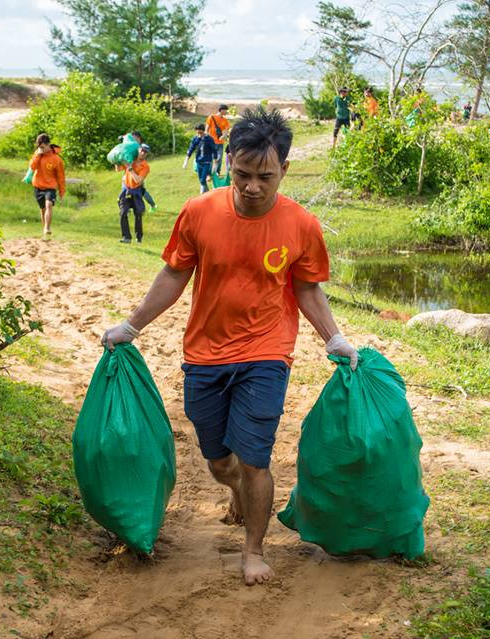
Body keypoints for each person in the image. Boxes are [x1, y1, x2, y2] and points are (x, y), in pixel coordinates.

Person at [101, 107, 358, 586]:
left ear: (283, 168)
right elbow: (175, 273)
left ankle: (254, 550)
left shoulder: (301, 224)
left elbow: (306, 288)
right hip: (205, 354)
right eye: (242, 174)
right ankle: (235, 489)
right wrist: (131, 327)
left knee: (255, 458)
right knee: (220, 460)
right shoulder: (199, 212)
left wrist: (334, 337)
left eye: (265, 176)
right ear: (228, 163)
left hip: (267, 352)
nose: (253, 187)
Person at [29, 134, 66, 236]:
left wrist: (62, 191)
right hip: (38, 185)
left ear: (48, 145)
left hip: (50, 187)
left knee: (49, 205)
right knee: (42, 209)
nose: (40, 149)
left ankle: (47, 228)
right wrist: (38, 155)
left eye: (42, 147)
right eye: (39, 147)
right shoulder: (37, 154)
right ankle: (44, 228)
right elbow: (32, 167)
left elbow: (61, 177)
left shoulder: (57, 159)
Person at [118, 144, 150, 244]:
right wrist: (118, 159)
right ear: (138, 150)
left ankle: (139, 237)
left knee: (138, 214)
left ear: (147, 154)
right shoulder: (130, 159)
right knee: (123, 213)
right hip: (126, 190)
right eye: (142, 150)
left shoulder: (145, 166)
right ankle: (126, 237)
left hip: (136, 192)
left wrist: (130, 169)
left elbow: (138, 181)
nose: (143, 153)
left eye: (145, 151)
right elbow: (118, 168)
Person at [183, 123, 218, 194]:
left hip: (207, 162)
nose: (199, 134)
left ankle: (202, 194)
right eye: (197, 133)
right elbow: (190, 149)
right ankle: (209, 193)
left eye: (200, 132)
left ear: (204, 131)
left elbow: (214, 150)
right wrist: (185, 162)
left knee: (202, 180)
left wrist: (215, 162)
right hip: (199, 162)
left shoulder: (209, 139)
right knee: (201, 180)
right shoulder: (195, 139)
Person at [206, 104, 231, 175]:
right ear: (222, 110)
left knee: (219, 158)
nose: (226, 112)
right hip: (211, 142)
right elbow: (207, 128)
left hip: (220, 142)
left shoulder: (225, 120)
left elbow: (226, 130)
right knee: (210, 158)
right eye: (226, 110)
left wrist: (223, 136)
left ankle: (217, 171)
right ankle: (208, 174)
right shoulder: (211, 117)